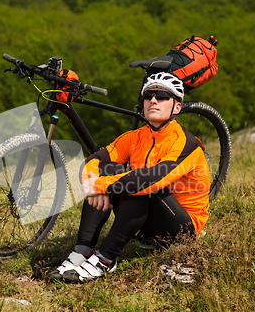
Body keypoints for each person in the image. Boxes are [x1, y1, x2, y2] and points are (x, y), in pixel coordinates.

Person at [49, 71, 210, 283]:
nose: (153, 100)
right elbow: (94, 160)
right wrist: (95, 182)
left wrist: (100, 185)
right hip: (144, 225)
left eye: (162, 96)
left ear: (177, 107)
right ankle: (83, 250)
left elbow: (150, 180)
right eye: (148, 95)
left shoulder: (187, 144)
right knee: (109, 170)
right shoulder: (134, 137)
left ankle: (106, 258)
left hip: (180, 229)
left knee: (139, 184)